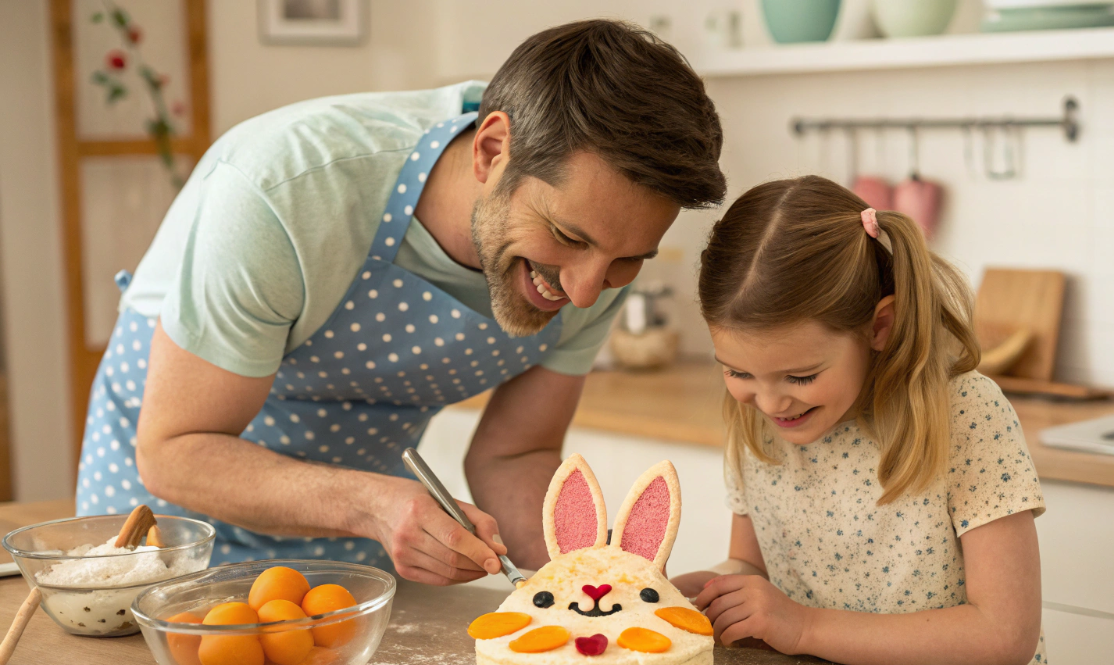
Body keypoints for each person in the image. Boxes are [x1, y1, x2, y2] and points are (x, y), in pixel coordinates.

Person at [77, 20, 725, 584]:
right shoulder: (287, 189)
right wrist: (371, 505)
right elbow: (174, 450)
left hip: (354, 549)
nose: (586, 291)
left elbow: (515, 454)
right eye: (566, 237)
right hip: (161, 536)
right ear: (493, 151)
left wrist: (593, 590)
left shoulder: (600, 249)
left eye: (625, 262)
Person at [672, 176, 1049, 665]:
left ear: (880, 327)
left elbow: (1005, 634)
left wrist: (803, 626)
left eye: (801, 376)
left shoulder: (964, 413)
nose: (770, 402)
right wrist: (722, 589)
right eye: (738, 373)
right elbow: (754, 563)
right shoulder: (757, 415)